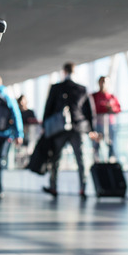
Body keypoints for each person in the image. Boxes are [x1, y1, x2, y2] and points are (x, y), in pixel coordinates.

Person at [41, 62, 97, 200]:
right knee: (81, 159)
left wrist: (45, 126)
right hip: (78, 128)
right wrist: (92, 129)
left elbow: (48, 108)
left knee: (55, 159)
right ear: (74, 71)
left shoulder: (56, 88)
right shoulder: (82, 89)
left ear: (64, 71)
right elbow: (89, 112)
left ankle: (53, 187)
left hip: (59, 129)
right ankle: (83, 188)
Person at [90, 76, 121, 162]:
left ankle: (111, 160)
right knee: (96, 143)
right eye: (102, 81)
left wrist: (111, 109)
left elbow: (118, 109)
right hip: (97, 124)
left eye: (105, 82)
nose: (103, 84)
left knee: (111, 143)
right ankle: (97, 161)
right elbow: (90, 109)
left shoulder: (112, 97)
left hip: (110, 124)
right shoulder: (94, 96)